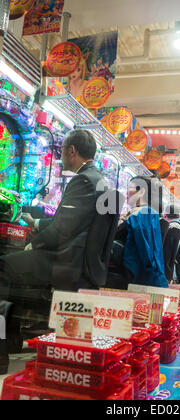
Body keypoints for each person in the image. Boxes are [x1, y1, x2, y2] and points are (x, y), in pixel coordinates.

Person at [0, 130, 107, 371]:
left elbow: (62, 231)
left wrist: (33, 243)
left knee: (4, 266)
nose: (60, 158)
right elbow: (70, 223)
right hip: (81, 261)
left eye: (62, 153)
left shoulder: (83, 180)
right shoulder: (100, 180)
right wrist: (36, 223)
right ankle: (14, 339)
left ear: (72, 151)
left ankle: (2, 350)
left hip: (65, 262)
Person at [111, 176, 168, 289]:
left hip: (129, 276)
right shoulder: (142, 213)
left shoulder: (143, 214)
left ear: (142, 191)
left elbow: (146, 254)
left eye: (130, 188)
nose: (126, 192)